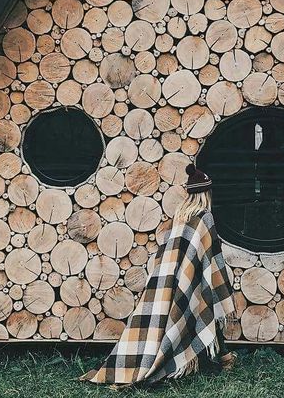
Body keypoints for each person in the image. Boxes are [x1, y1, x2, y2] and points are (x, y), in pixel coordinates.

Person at [82, 163, 237, 387]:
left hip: (169, 276)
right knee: (207, 303)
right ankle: (222, 357)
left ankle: (219, 356)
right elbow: (211, 253)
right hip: (189, 276)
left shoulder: (181, 214)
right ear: (206, 193)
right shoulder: (205, 217)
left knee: (183, 313)